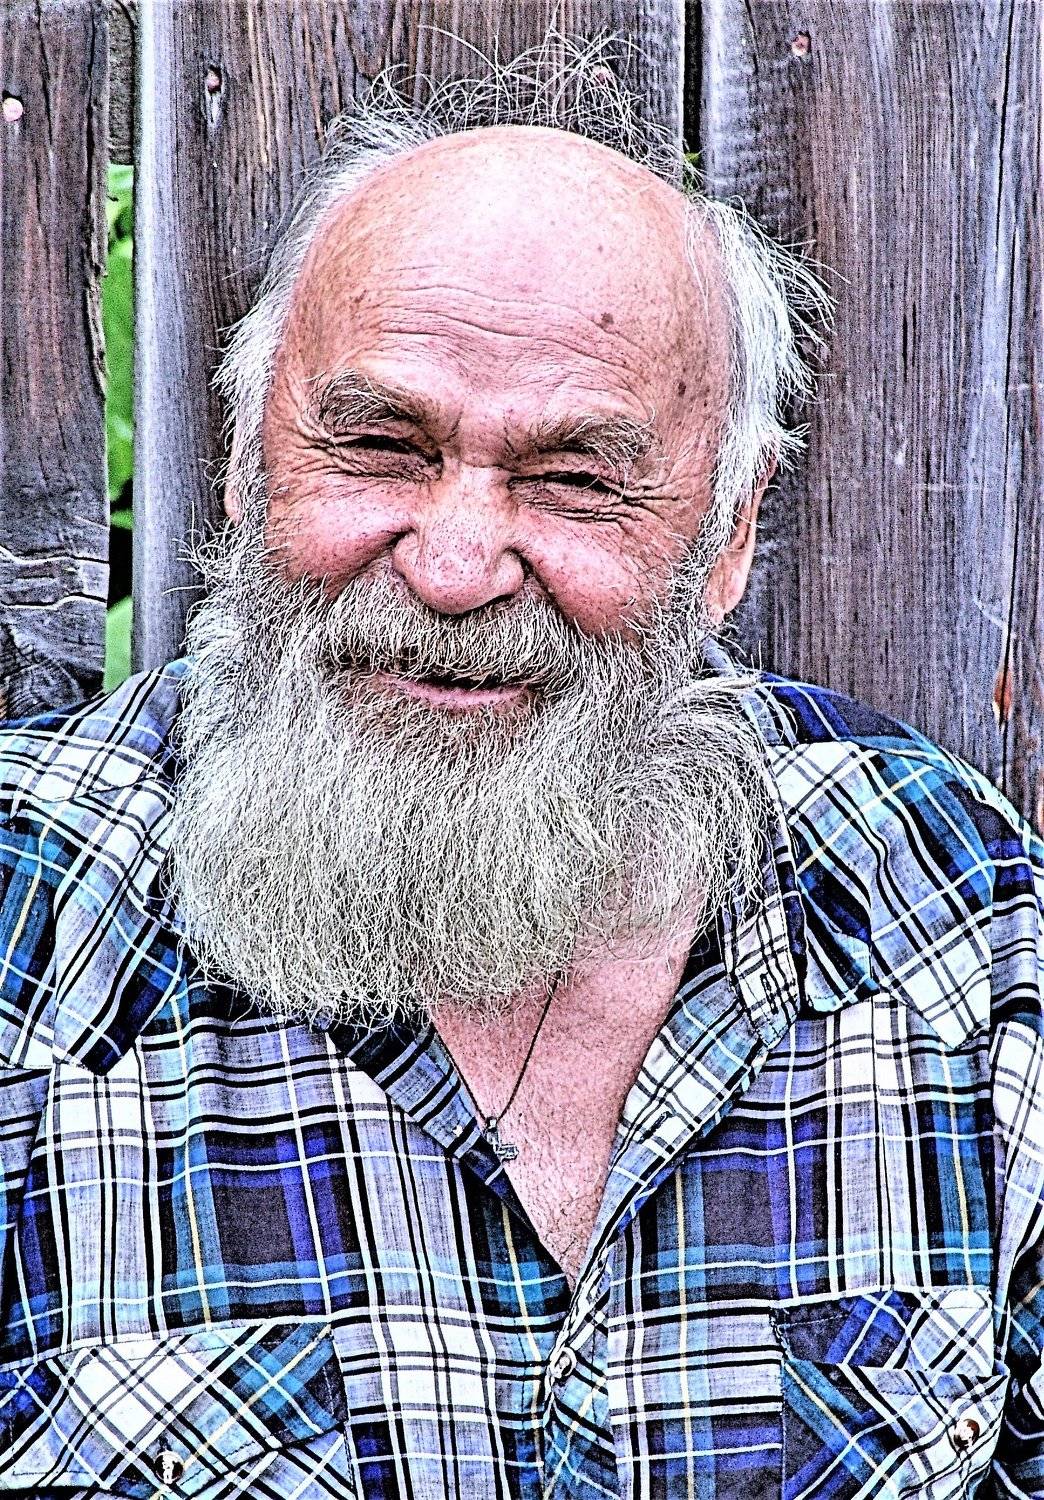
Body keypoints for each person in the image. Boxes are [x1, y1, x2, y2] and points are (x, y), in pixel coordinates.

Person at [0, 37, 1040, 1500]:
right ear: (243, 466)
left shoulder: (952, 912)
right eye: (380, 446)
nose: (455, 565)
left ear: (728, 536)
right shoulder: (29, 912)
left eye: (575, 481)